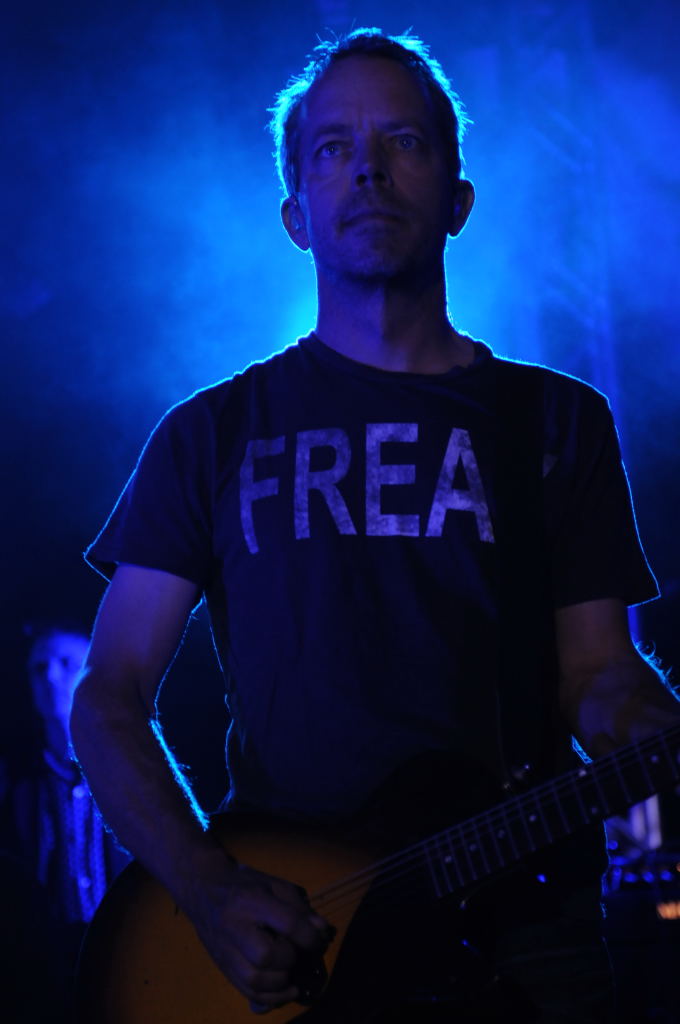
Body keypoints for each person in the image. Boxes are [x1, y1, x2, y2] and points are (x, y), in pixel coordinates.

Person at [71, 28, 680, 1022]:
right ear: (296, 216)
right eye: (332, 148)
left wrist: (647, 729)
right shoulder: (209, 432)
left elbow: (595, 673)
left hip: (526, 933)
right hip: (303, 927)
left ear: (457, 199)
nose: (366, 168)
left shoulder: (556, 419)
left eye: (403, 141)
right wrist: (207, 887)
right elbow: (109, 693)